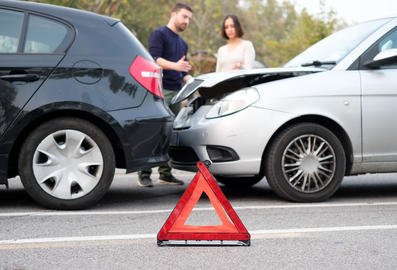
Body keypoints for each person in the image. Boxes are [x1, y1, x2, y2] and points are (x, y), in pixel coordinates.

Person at [138, 3, 193, 187]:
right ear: (174, 14)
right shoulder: (159, 34)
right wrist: (175, 66)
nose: (187, 21)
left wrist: (189, 78)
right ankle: (144, 174)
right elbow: (153, 60)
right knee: (153, 132)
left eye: (189, 19)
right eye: (184, 17)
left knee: (169, 134)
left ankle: (165, 174)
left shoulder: (183, 43)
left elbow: (183, 70)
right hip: (158, 91)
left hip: (176, 93)